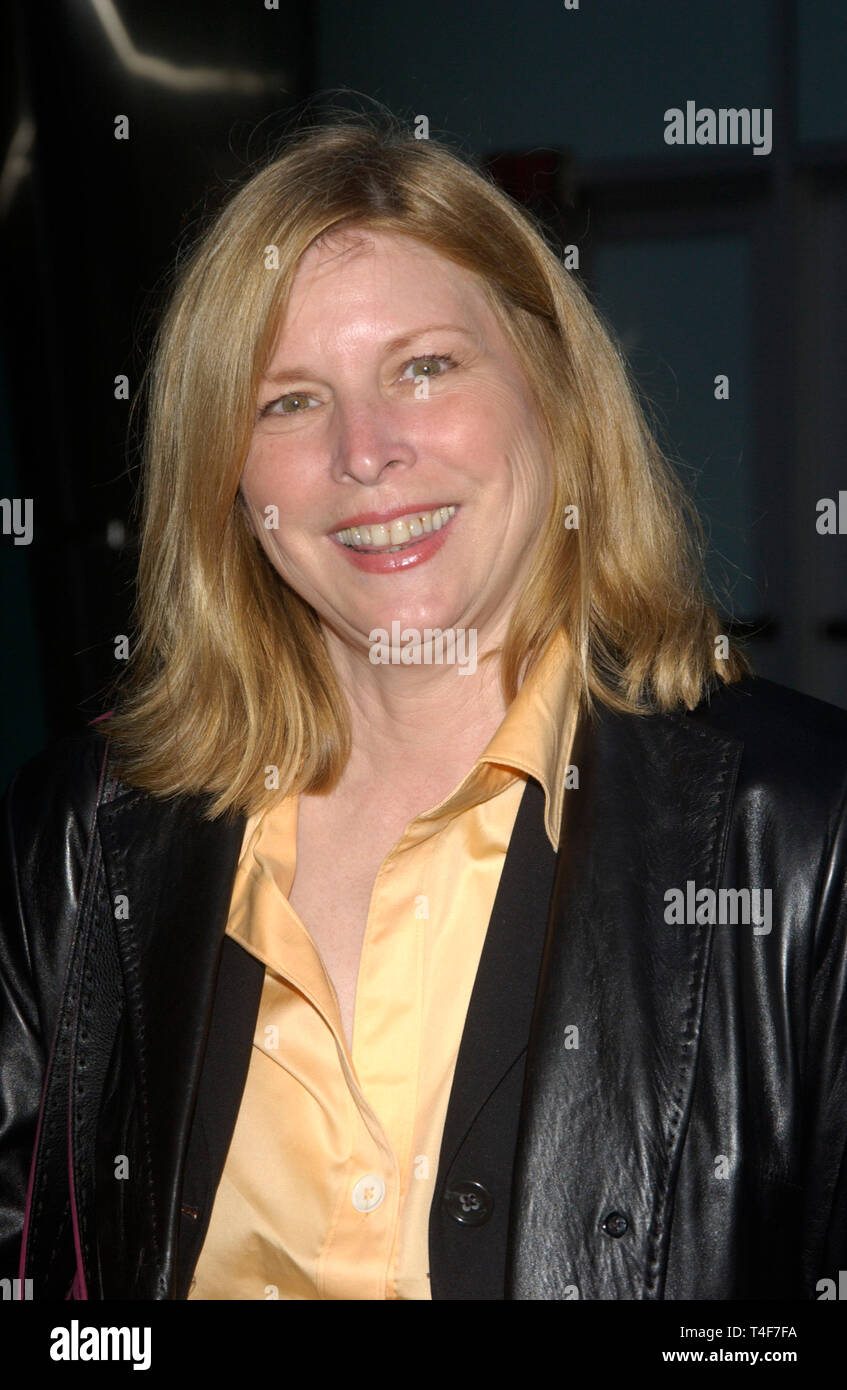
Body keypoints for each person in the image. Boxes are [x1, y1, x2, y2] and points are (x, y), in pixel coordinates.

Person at [1, 113, 845, 1303]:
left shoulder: (808, 833)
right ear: (227, 478)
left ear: (552, 393)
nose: (364, 452)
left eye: (424, 367)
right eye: (287, 401)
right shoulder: (79, 834)